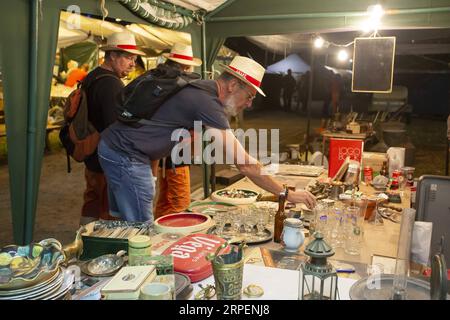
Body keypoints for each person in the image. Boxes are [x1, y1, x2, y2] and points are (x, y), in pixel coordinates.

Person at [98, 56, 317, 222]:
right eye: (249, 96)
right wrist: (285, 193)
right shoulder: (207, 102)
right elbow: (246, 164)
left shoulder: (202, 90)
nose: (249, 104)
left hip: (119, 148)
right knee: (141, 230)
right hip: (125, 153)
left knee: (125, 223)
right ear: (232, 86)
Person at [79, 32, 145, 226]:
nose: (133, 63)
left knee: (92, 202)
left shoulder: (92, 76)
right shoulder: (111, 83)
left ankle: (83, 241)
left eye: (134, 58)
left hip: (92, 156)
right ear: (113, 56)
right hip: (107, 159)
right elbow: (115, 127)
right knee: (109, 213)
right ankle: (103, 250)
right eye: (128, 57)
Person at [153, 43, 202, 219]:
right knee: (179, 204)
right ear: (185, 67)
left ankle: (159, 230)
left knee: (164, 200)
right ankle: (170, 238)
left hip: (161, 150)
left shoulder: (159, 82)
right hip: (177, 152)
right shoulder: (183, 86)